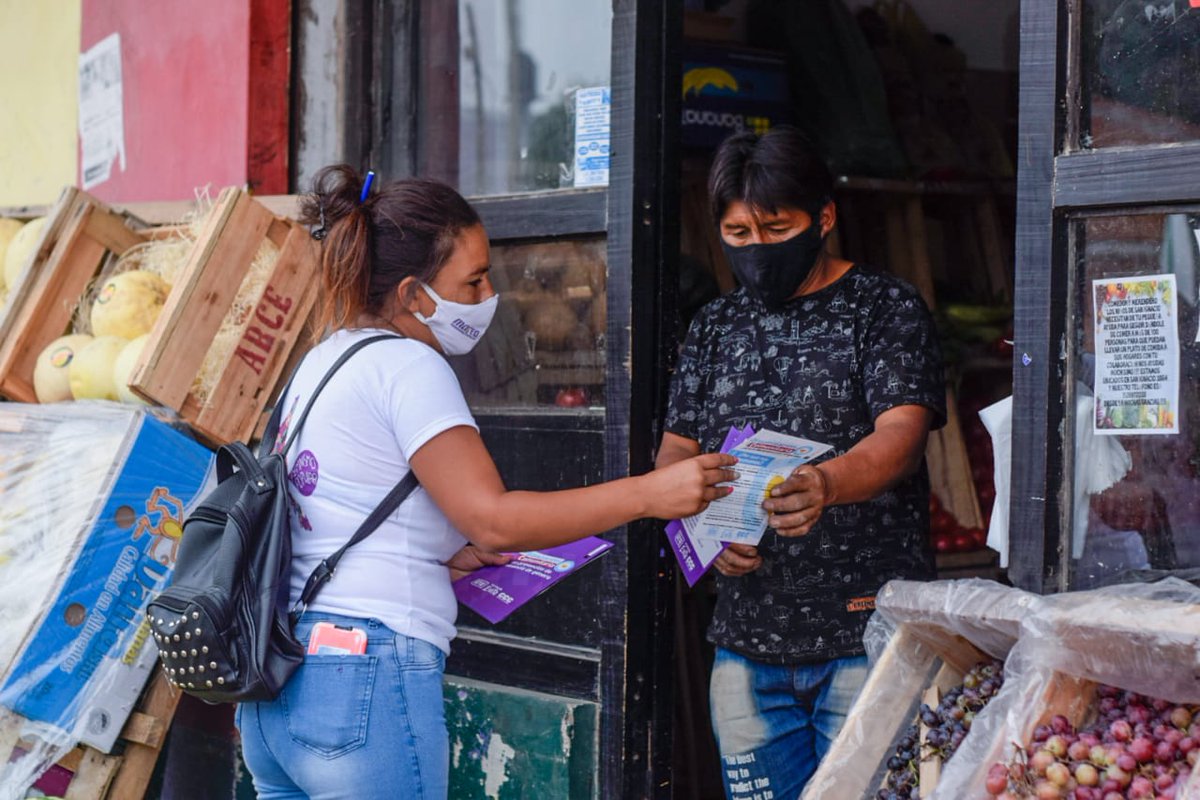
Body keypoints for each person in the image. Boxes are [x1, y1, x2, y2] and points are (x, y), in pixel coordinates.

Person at [235, 165, 737, 800]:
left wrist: (441, 555)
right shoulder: (408, 365)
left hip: (281, 684)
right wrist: (651, 493)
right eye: (471, 280)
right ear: (415, 295)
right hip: (365, 677)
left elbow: (338, 509)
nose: (488, 293)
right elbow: (494, 519)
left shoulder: (323, 359)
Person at [656, 127, 945, 799]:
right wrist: (700, 533)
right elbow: (675, 454)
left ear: (824, 218)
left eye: (775, 228)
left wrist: (827, 483)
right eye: (737, 235)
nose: (756, 250)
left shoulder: (885, 309)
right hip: (745, 647)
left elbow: (900, 437)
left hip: (870, 638)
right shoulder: (713, 328)